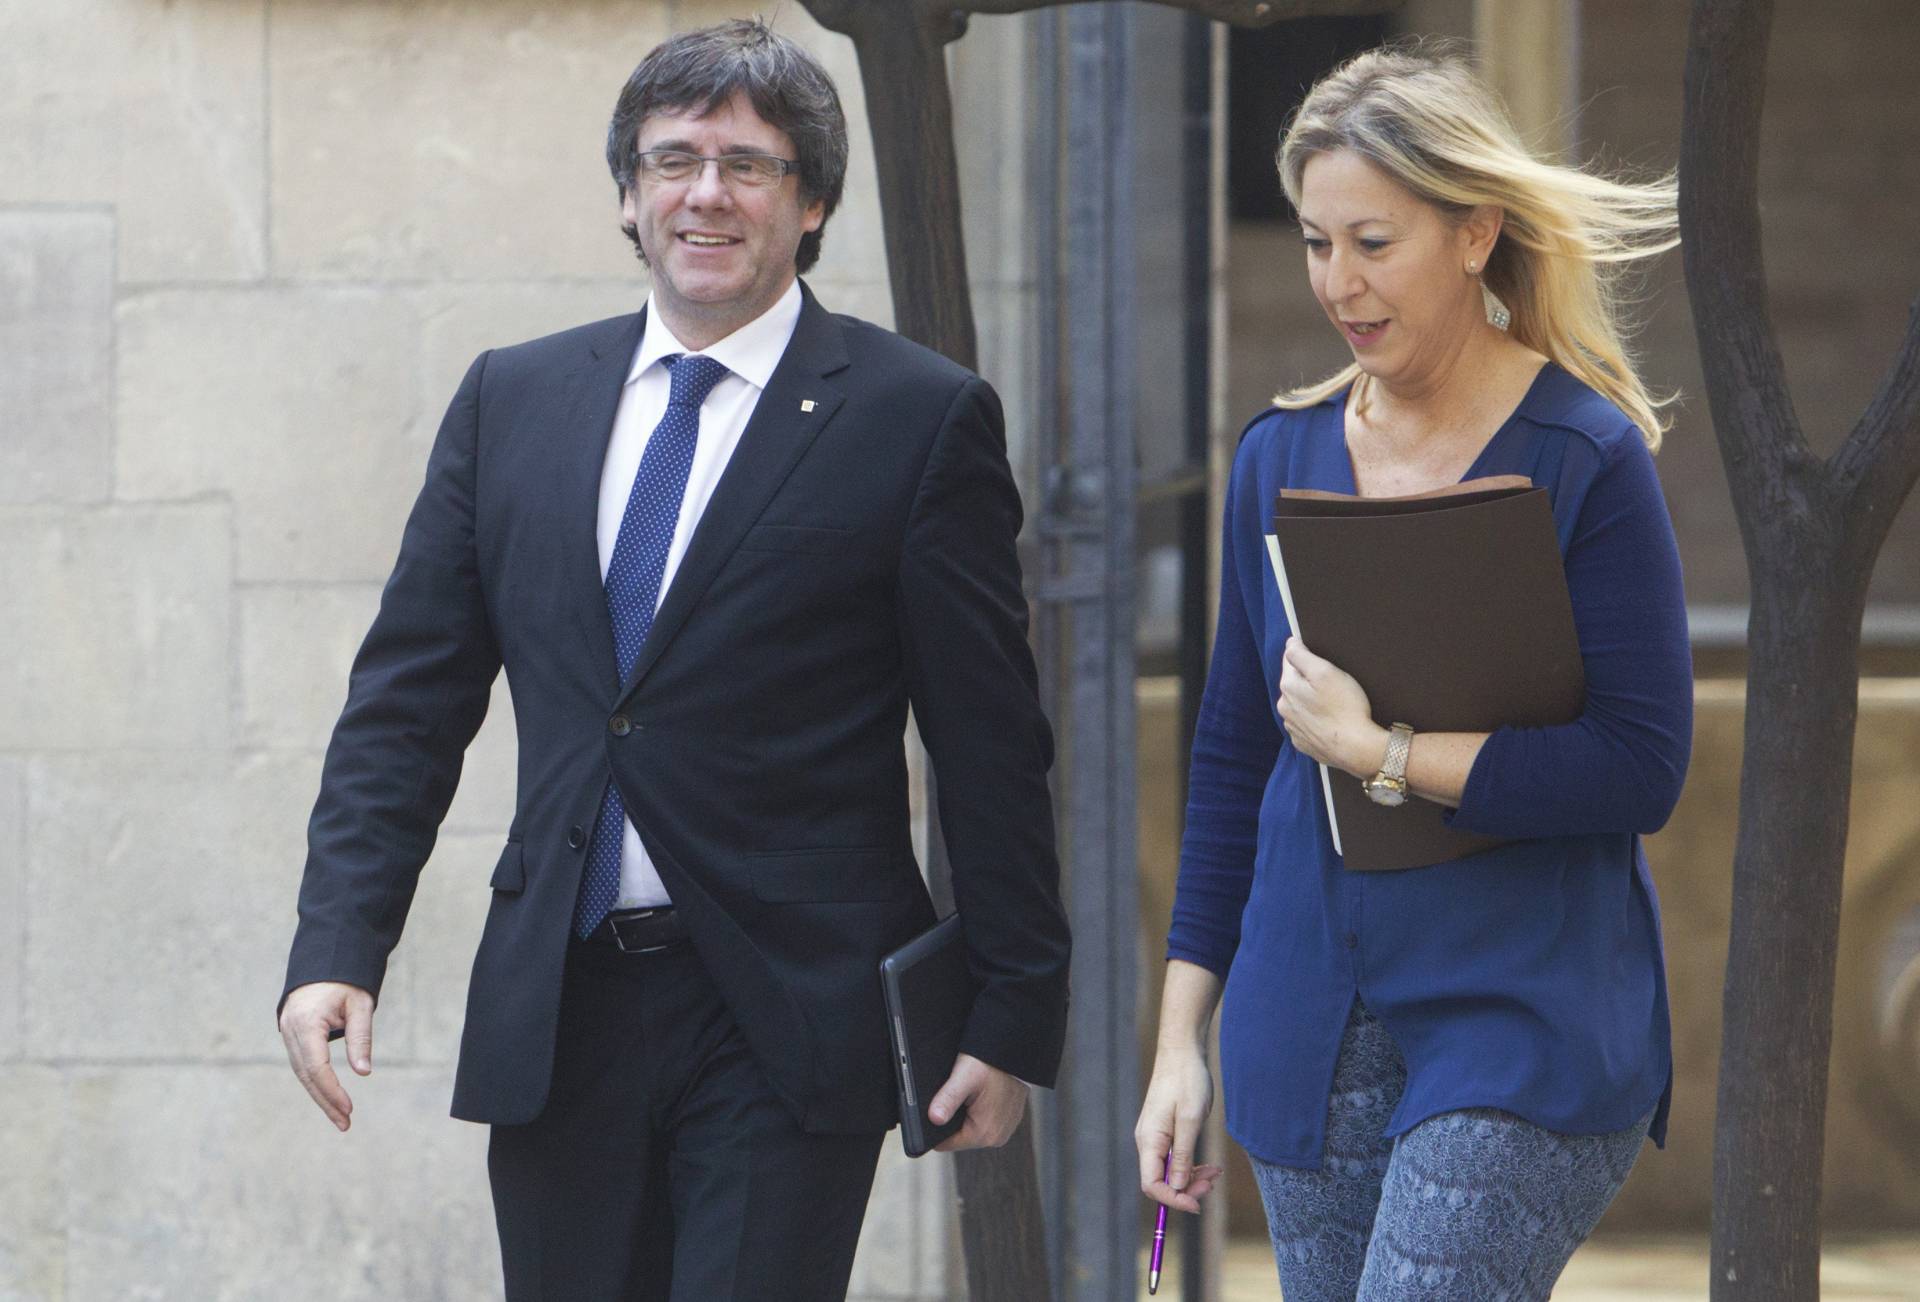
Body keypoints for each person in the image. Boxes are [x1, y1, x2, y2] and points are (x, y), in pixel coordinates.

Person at [275, 20, 1070, 1301]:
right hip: (563, 1011)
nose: (706, 193)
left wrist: (1012, 1012)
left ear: (811, 203)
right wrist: (335, 947)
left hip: (785, 1015)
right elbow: (405, 707)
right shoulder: (513, 400)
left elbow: (990, 745)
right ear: (630, 196)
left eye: (748, 165)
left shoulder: (917, 419)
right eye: (674, 160)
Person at [1134, 44, 1691, 1301]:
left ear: (1476, 234)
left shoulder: (1585, 455)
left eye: (1373, 243)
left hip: (1522, 1019)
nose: (1340, 282)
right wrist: (1179, 1045)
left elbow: (1640, 766)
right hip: (1306, 1016)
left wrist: (1379, 753)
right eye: (1318, 243)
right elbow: (1229, 767)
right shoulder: (1273, 460)